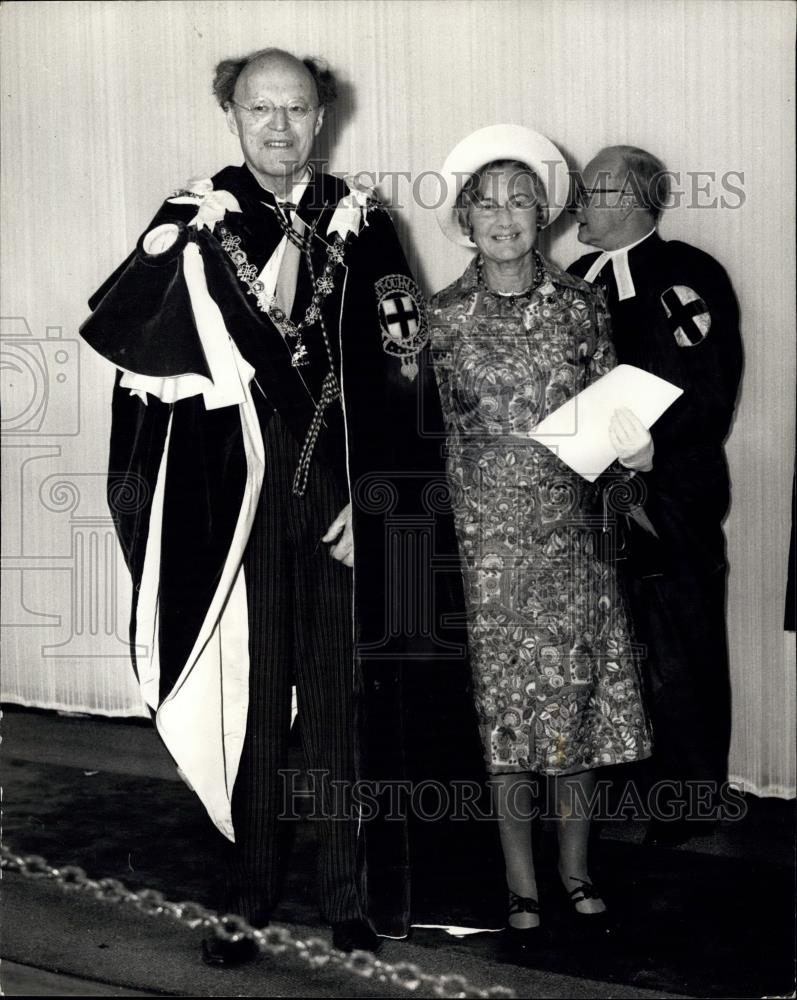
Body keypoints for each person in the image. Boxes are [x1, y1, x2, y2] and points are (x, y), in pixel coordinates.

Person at [80, 47, 474, 960]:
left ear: (322, 118)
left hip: (336, 507)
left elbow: (403, 367)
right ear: (231, 115)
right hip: (237, 511)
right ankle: (247, 890)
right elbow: (137, 365)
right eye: (260, 108)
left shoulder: (365, 221)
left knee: (338, 706)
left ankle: (345, 894)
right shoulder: (190, 220)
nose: (280, 126)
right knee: (252, 707)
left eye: (297, 108)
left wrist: (379, 501)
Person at [429, 125, 653, 943]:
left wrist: (633, 456)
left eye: (519, 200)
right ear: (463, 216)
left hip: (571, 546)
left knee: (574, 715)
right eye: (486, 202)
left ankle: (576, 871)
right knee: (506, 719)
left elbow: (611, 420)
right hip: (486, 553)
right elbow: (415, 437)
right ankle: (520, 885)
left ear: (543, 215)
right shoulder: (439, 320)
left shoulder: (581, 307)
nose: (503, 217)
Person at [568, 146, 743, 847]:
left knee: (679, 641)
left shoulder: (686, 275)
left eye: (592, 189)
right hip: (594, 494)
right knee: (612, 643)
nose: (577, 201)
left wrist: (653, 453)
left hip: (672, 496)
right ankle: (622, 784)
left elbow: (710, 387)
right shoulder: (577, 277)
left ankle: (690, 797)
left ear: (636, 198)